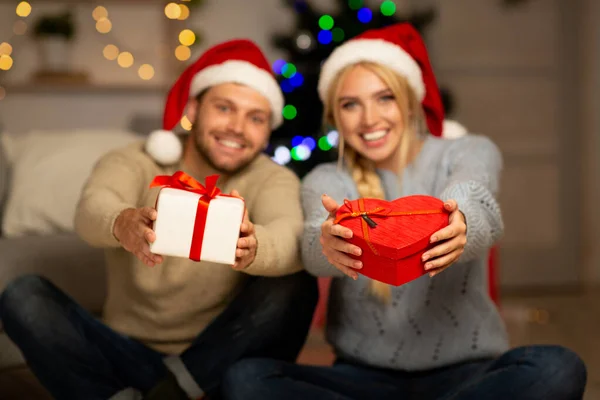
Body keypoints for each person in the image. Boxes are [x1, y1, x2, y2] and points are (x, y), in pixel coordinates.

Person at [220, 24, 587, 400]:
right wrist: (328, 244)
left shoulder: (467, 150)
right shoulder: (326, 178)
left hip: (466, 376)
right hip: (361, 379)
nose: (369, 119)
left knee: (557, 368)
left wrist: (462, 222)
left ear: (410, 101)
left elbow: (475, 197)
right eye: (350, 104)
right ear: (334, 116)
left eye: (385, 98)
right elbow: (315, 240)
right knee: (248, 379)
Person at [0, 39, 318, 400]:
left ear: (267, 131)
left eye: (256, 118)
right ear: (195, 109)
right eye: (225, 108)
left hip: (218, 352)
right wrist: (122, 223)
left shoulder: (272, 178)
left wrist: (253, 245)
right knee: (24, 296)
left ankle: (170, 391)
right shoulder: (136, 159)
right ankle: (163, 393)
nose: (237, 127)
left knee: (295, 284)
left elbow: (289, 232)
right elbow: (92, 207)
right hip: (127, 350)